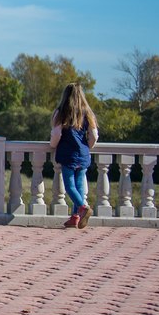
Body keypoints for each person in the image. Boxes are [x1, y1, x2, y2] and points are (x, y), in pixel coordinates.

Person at [50, 83, 99, 228]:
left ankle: (83, 208)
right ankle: (75, 217)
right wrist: (86, 147)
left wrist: (53, 145)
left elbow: (56, 134)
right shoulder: (87, 112)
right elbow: (94, 135)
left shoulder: (61, 112)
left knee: (70, 186)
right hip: (83, 154)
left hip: (68, 154)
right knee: (79, 186)